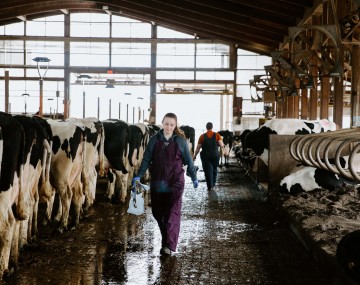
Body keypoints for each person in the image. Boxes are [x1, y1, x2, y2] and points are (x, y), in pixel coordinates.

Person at [131, 112, 198, 256]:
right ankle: (166, 240)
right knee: (157, 212)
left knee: (171, 212)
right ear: (162, 123)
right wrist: (138, 176)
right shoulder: (154, 140)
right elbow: (146, 160)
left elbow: (189, 161)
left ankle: (168, 245)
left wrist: (193, 176)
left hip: (176, 181)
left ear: (175, 126)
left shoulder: (180, 141)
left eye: (172, 125)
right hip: (158, 181)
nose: (168, 127)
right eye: (166, 124)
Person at [193, 122, 225, 191]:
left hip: (205, 156)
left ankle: (210, 186)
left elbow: (198, 147)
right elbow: (221, 145)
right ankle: (213, 184)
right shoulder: (217, 135)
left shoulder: (202, 136)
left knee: (208, 170)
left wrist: (195, 155)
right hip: (215, 155)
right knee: (214, 170)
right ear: (212, 127)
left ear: (206, 127)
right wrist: (221, 145)